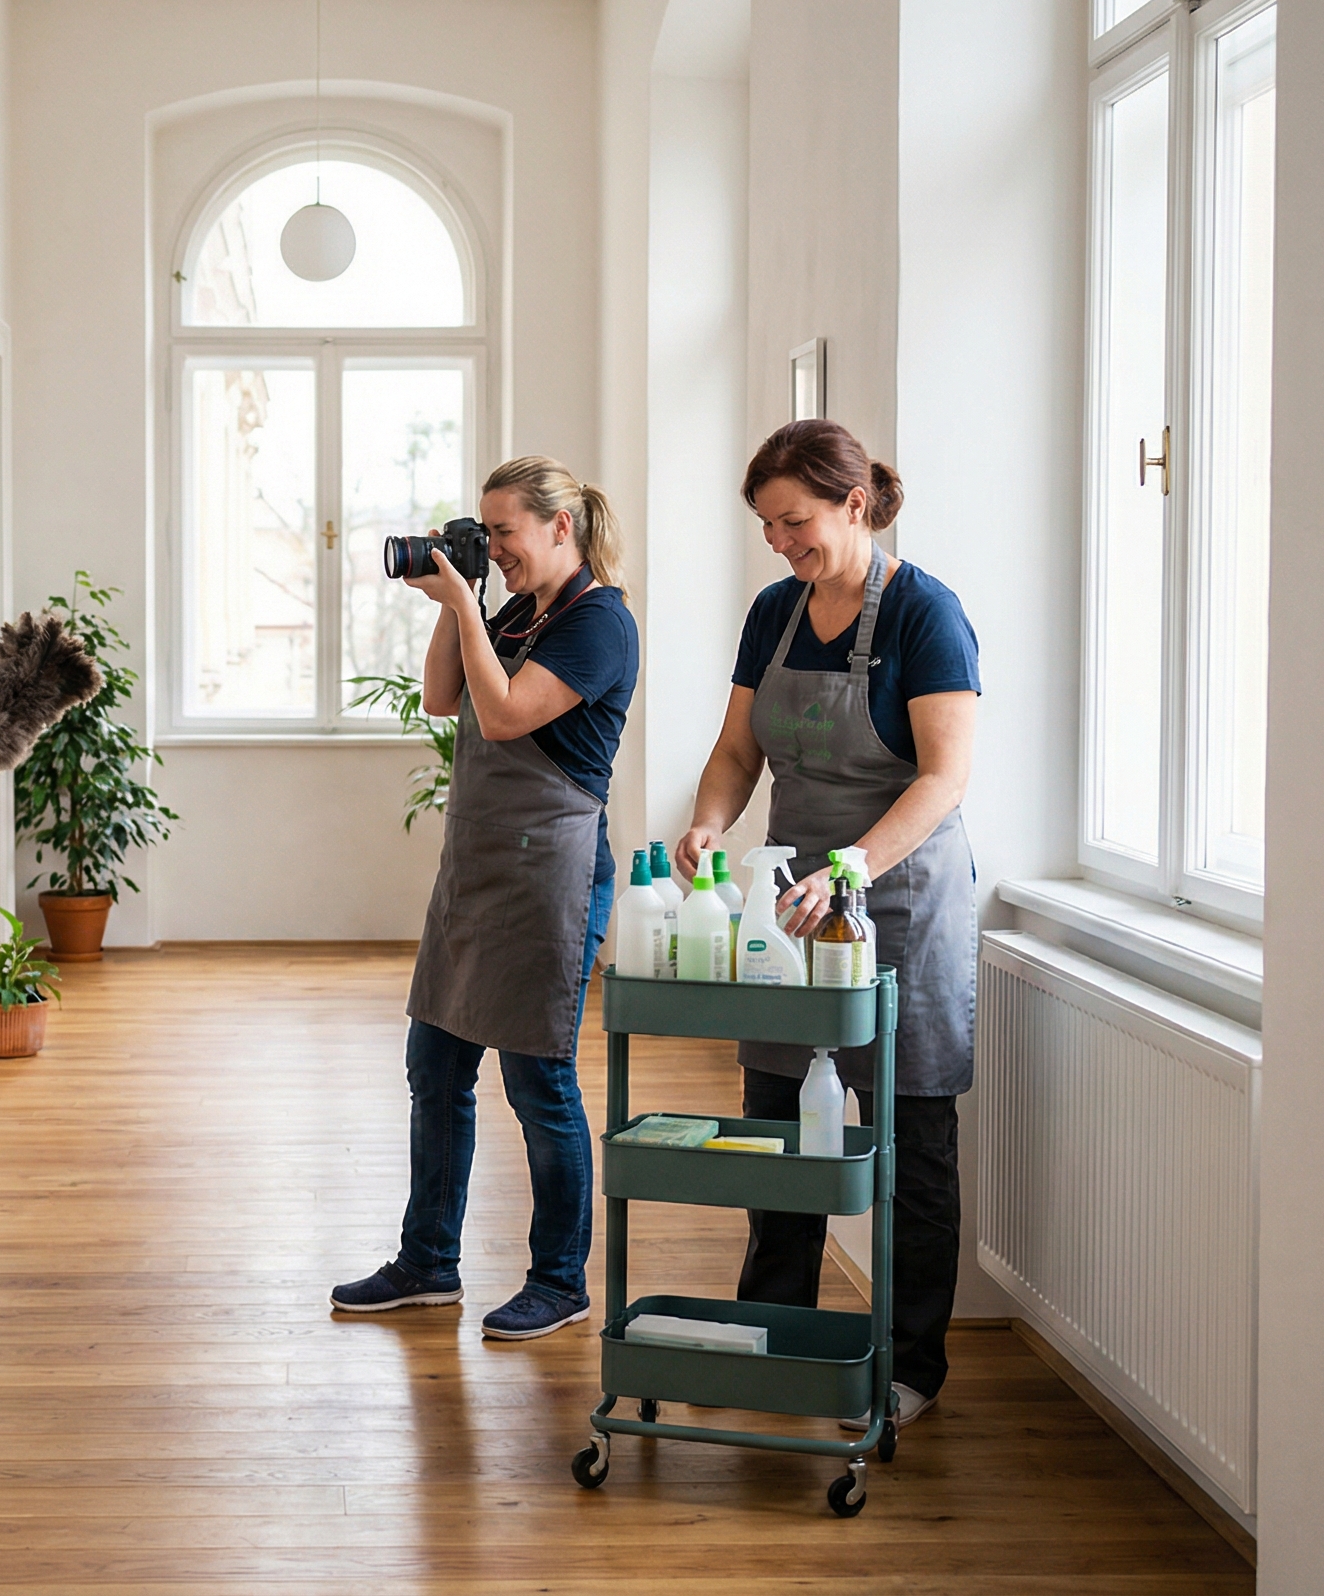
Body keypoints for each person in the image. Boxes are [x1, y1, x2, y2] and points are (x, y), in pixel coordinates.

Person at [674, 418, 980, 1430]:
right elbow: (732, 752)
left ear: (853, 504)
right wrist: (708, 822)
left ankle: (906, 1366)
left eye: (791, 520)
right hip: (788, 905)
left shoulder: (926, 616)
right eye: (764, 524)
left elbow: (942, 776)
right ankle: (774, 1336)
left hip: (892, 899)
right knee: (778, 1128)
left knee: (905, 1139)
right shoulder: (772, 612)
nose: (776, 541)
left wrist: (852, 865)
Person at [333, 457, 640, 1341]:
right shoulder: (513, 610)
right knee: (436, 1069)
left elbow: (504, 716)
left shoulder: (598, 624)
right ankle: (428, 1262)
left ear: (559, 527)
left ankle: (560, 1279)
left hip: (552, 870)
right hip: (476, 868)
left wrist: (466, 605)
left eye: (503, 530)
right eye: (486, 529)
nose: (493, 545)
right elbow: (443, 697)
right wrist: (457, 598)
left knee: (538, 1080)